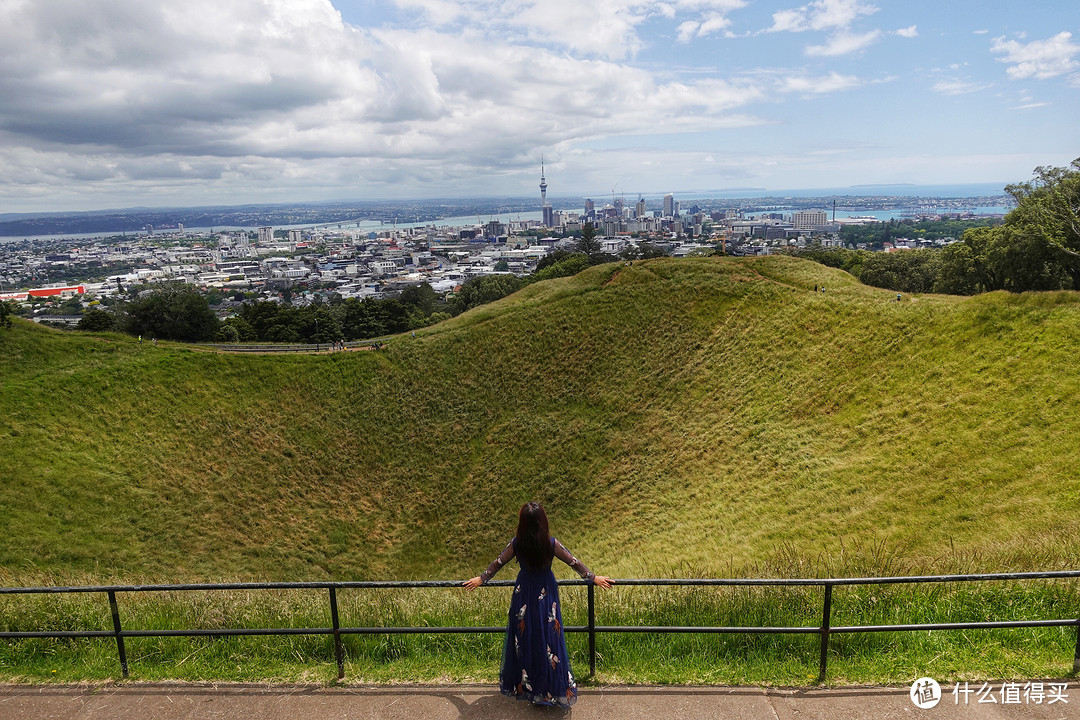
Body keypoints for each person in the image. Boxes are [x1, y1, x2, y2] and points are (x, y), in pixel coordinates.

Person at [464, 502, 612, 708]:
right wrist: (592, 577)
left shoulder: (517, 543)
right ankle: (551, 689)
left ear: (522, 523)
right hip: (546, 591)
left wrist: (482, 578)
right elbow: (573, 562)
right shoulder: (550, 543)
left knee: (527, 640)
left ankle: (531, 688)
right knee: (549, 639)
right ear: (543, 521)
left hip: (524, 592)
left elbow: (498, 562)